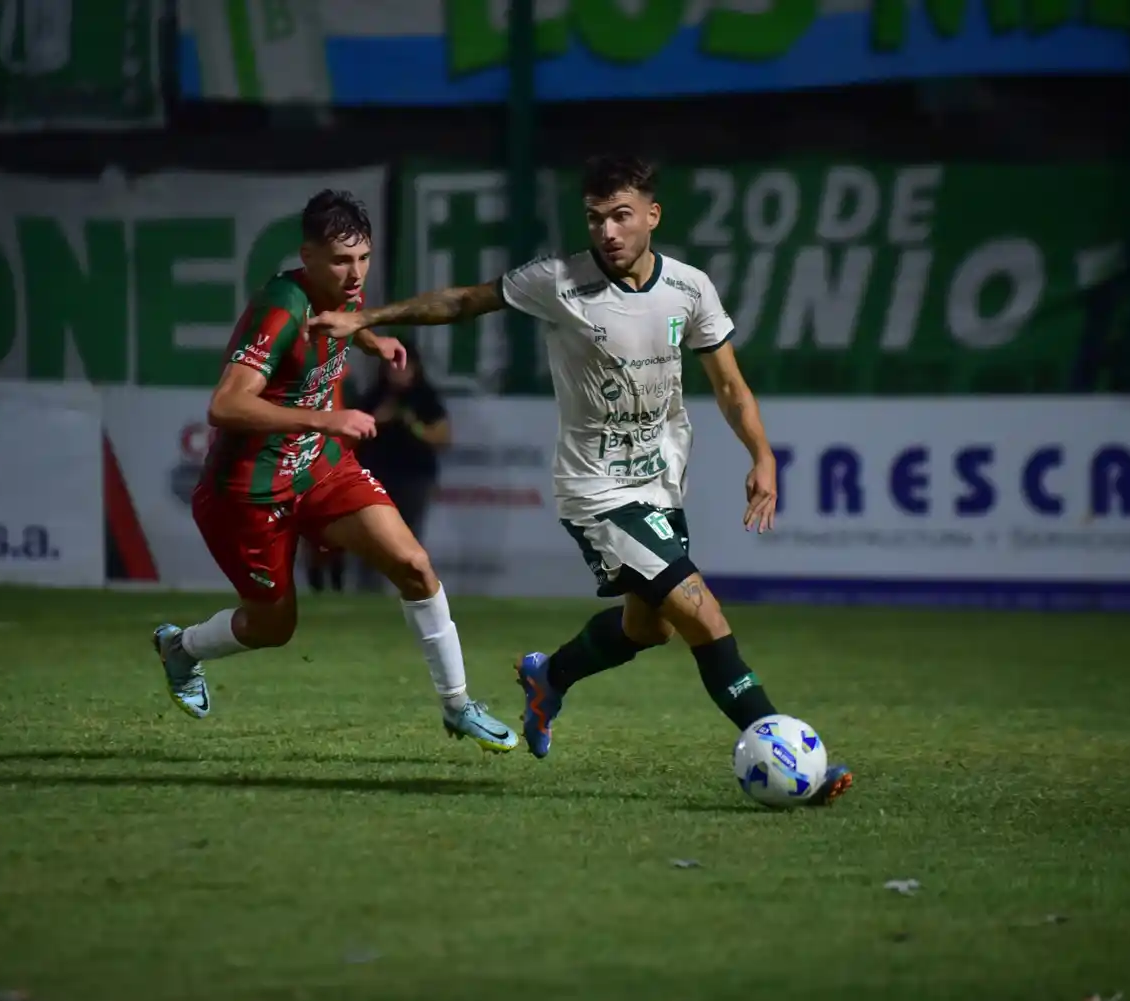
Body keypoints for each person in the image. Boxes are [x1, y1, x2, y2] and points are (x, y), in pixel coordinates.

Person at [304, 156, 851, 805]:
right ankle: (791, 763)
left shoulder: (690, 288)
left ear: (653, 214)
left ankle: (551, 675)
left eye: (621, 215)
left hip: (660, 484)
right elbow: (463, 299)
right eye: (595, 218)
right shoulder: (560, 281)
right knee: (704, 613)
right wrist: (369, 318)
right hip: (598, 491)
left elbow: (730, 386)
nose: (608, 232)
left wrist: (761, 454)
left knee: (651, 628)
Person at [150, 189, 519, 754]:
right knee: (274, 628)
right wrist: (325, 419)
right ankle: (183, 649)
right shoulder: (280, 309)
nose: (355, 274)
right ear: (308, 256)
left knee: (414, 565)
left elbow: (344, 319)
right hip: (247, 495)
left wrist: (373, 339)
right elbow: (225, 406)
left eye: (363, 258)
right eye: (342, 260)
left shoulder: (342, 291)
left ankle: (458, 704)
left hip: (321, 470)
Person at [352, 343, 450, 590]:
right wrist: (377, 419)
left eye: (403, 367)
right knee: (373, 538)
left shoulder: (425, 398)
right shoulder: (374, 396)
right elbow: (349, 436)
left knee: (408, 540)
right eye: (393, 367)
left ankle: (414, 593)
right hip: (375, 478)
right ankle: (368, 593)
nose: (398, 373)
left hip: (414, 477)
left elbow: (442, 437)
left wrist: (412, 424)